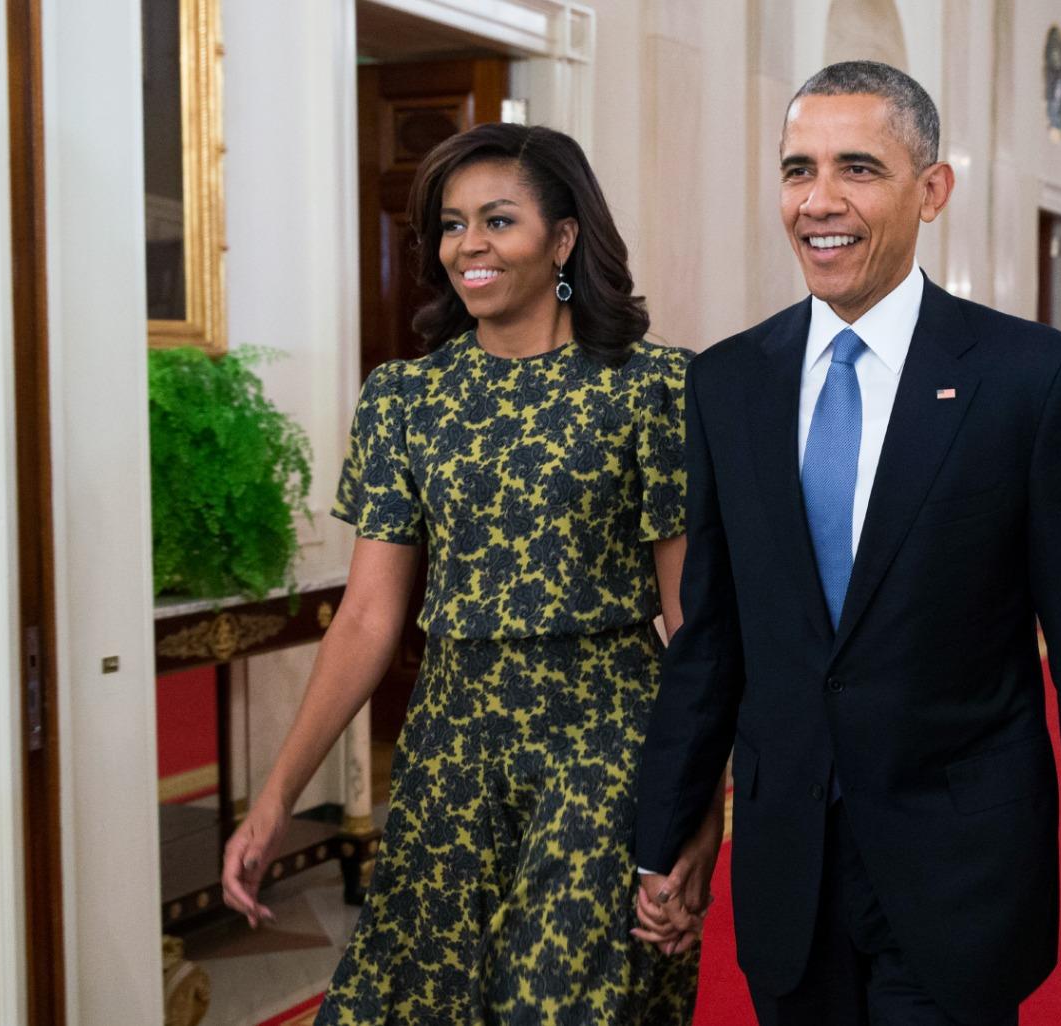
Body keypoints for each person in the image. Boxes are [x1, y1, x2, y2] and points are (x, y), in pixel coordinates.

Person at [631, 61, 1061, 1026]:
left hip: (959, 872)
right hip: (791, 875)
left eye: (857, 169)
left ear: (932, 190)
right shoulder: (726, 383)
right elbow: (711, 639)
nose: (818, 201)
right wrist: (668, 832)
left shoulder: (1030, 381)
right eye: (798, 169)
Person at [219, 123, 721, 1025]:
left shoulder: (651, 388)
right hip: (451, 745)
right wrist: (275, 798)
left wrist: (703, 809)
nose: (469, 246)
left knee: (560, 1004)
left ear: (564, 239)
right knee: (412, 1000)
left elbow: (692, 625)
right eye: (452, 226)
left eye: (498, 220)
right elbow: (369, 619)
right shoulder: (404, 399)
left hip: (603, 740)